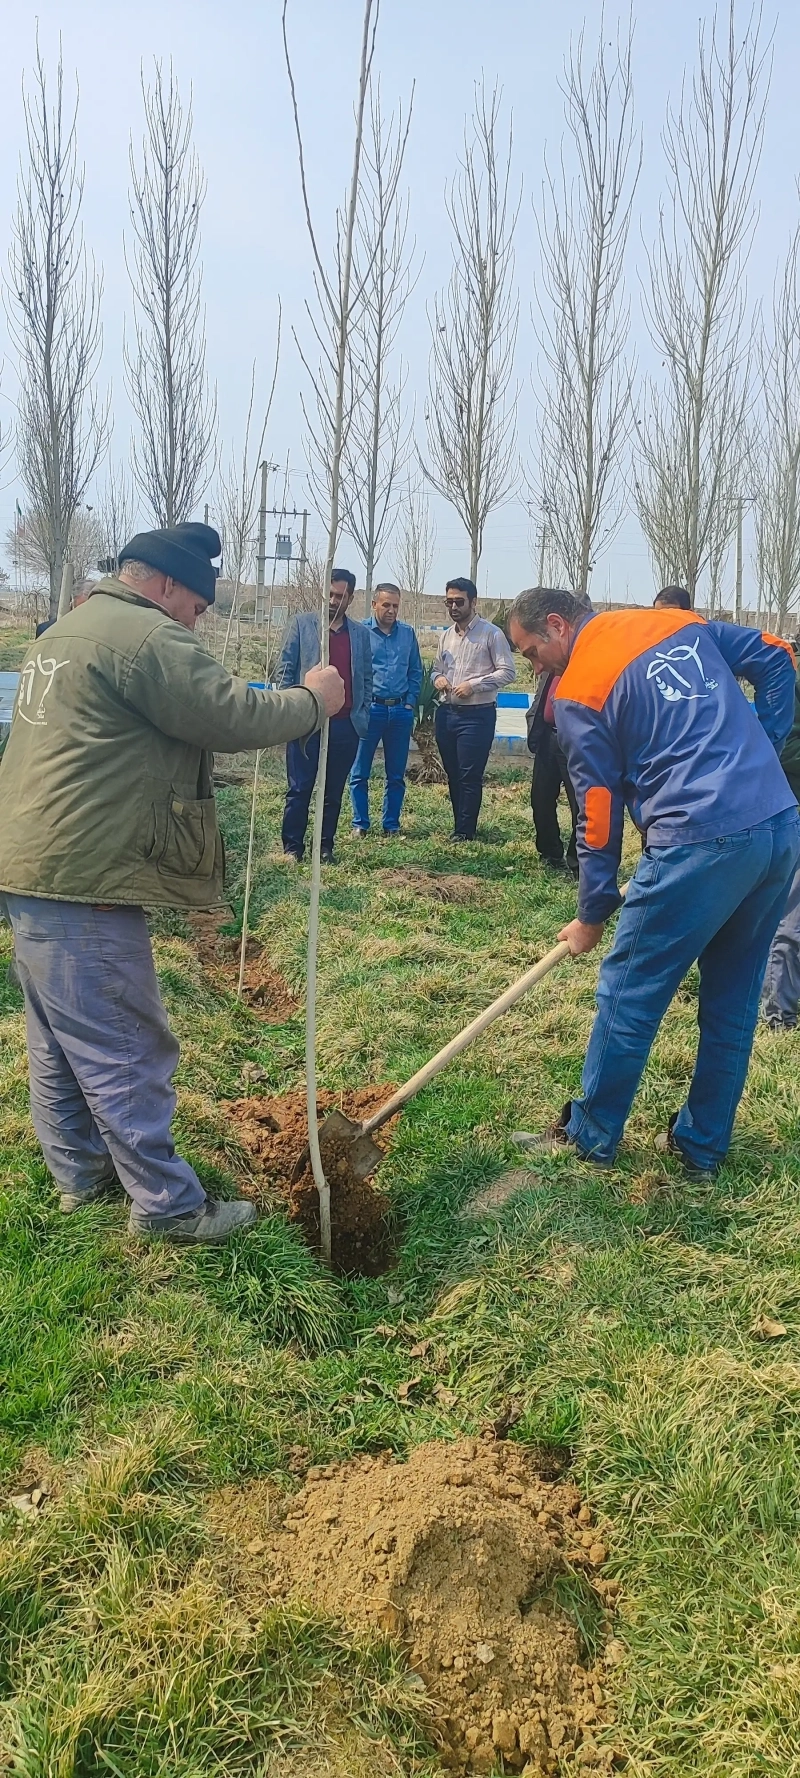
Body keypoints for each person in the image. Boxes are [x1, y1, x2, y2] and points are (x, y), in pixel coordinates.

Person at [0, 523, 345, 1245]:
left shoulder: (62, 634)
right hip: (83, 874)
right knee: (128, 1046)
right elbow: (227, 713)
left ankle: (81, 1180)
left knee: (61, 1043)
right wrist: (312, 701)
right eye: (197, 601)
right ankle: (167, 1207)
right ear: (162, 584)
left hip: (30, 867)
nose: (202, 616)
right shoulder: (147, 638)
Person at [506, 587, 799, 1178]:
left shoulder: (579, 689)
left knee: (629, 990)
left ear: (557, 625)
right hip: (778, 826)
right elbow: (777, 656)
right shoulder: (672, 624)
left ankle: (590, 1135)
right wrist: (766, 747)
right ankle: (702, 1147)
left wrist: (592, 912)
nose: (532, 666)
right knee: (735, 1000)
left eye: (529, 650)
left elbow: (596, 809)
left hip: (698, 840)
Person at [276, 568, 372, 863]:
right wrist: (290, 708)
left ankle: (324, 846)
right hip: (307, 724)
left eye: (339, 596)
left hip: (345, 727)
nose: (332, 600)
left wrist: (361, 715)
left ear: (351, 598)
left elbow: (366, 679)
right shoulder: (303, 625)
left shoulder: (360, 635)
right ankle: (292, 848)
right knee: (300, 788)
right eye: (329, 594)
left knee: (332, 792)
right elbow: (284, 670)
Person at [432, 577, 515, 841]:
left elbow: (508, 671)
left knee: (469, 774)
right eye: (449, 602)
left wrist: (474, 685)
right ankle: (459, 824)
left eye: (459, 602)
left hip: (477, 715)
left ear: (473, 602)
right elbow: (436, 669)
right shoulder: (445, 636)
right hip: (447, 714)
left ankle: (465, 831)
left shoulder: (491, 634)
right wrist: (438, 680)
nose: (453, 607)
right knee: (453, 773)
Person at [350, 582, 423, 837]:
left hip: (400, 712)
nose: (391, 610)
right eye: (386, 605)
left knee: (396, 774)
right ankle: (360, 823)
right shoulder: (360, 632)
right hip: (371, 711)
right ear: (374, 605)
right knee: (360, 772)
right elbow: (354, 672)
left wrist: (410, 703)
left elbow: (416, 670)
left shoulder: (407, 634)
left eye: (395, 606)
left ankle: (391, 824)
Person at [761, 647, 800, 1029]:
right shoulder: (790, 692)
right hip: (793, 812)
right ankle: (779, 1014)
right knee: (791, 923)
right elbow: (785, 747)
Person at [526, 665, 579, 876]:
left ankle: (578, 863)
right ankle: (550, 852)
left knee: (580, 805)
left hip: (575, 742)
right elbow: (541, 697)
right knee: (541, 797)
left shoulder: (584, 661)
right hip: (548, 738)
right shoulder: (551, 663)